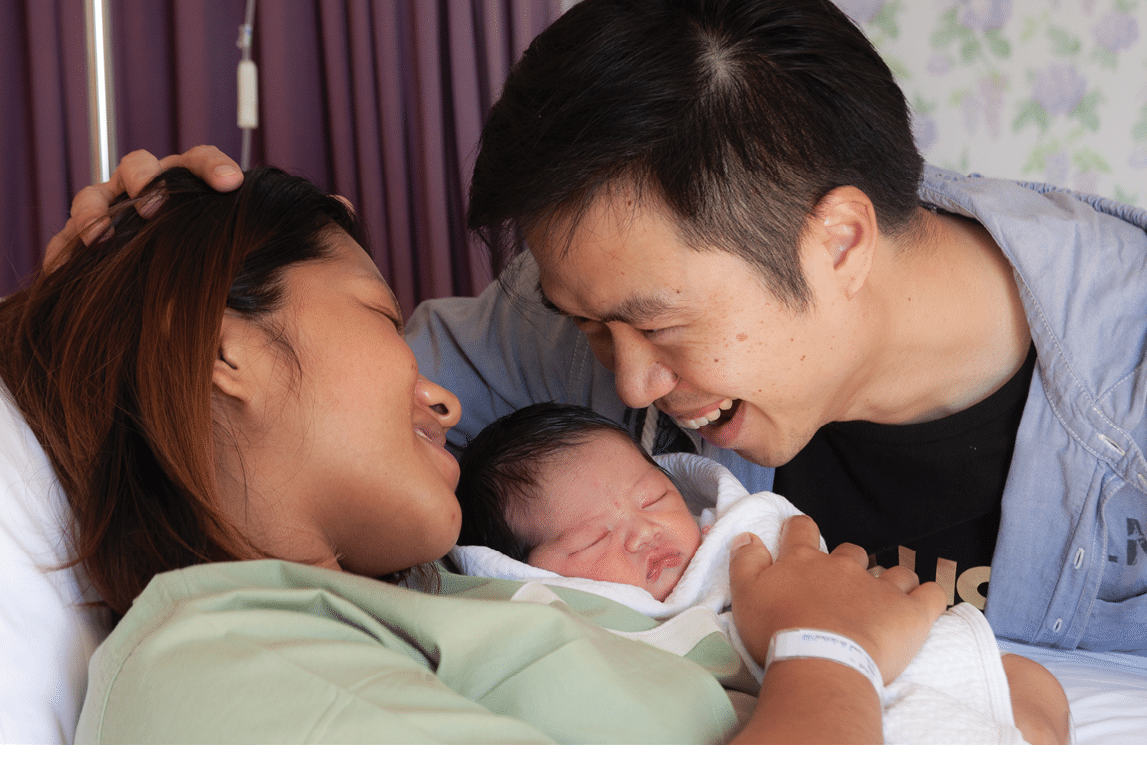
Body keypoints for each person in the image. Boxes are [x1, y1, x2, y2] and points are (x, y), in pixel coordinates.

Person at [53, 2, 1147, 653]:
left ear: (841, 241)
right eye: (586, 325)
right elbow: (303, 410)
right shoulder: (555, 333)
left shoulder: (1126, 379)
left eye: (654, 325)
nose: (625, 385)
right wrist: (135, 292)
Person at [8, 165, 949, 743]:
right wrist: (828, 651)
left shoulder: (428, 600)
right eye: (382, 318)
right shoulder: (220, 667)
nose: (443, 397)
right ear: (222, 348)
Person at [451, 402, 1069, 744]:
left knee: (1029, 682)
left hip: (879, 654)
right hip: (804, 717)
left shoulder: (740, 541)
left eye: (652, 500)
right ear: (519, 569)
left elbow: (825, 579)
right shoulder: (565, 628)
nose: (642, 532)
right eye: (592, 537)